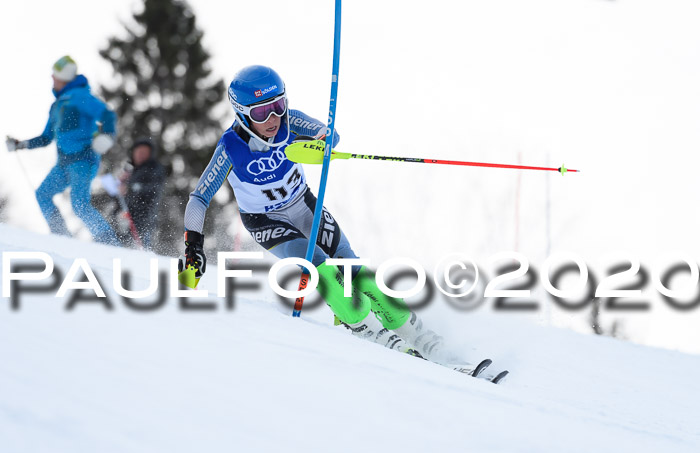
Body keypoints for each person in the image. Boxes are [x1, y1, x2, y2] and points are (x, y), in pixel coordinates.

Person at [180, 65, 444, 359]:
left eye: (278, 106)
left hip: (305, 205)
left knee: (353, 269)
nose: (272, 119)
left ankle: (415, 331)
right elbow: (199, 197)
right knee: (322, 267)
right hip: (266, 221)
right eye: (260, 113)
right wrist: (193, 246)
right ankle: (368, 330)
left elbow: (330, 135)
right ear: (242, 113)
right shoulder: (230, 148)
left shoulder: (290, 122)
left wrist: (324, 142)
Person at [5, 56, 120, 246]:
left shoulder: (79, 96)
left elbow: (106, 114)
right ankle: (62, 236)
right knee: (42, 193)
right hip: (63, 164)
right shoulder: (56, 106)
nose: (52, 79)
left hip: (83, 159)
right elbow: (45, 138)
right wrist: (21, 145)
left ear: (63, 78)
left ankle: (110, 242)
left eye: (55, 76)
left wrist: (106, 136)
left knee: (79, 205)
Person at [120, 138, 166, 249]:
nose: (140, 155)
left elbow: (155, 188)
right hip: (126, 216)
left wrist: (130, 188)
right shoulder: (131, 170)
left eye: (144, 152)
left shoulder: (154, 168)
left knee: (141, 248)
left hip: (144, 217)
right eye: (138, 152)